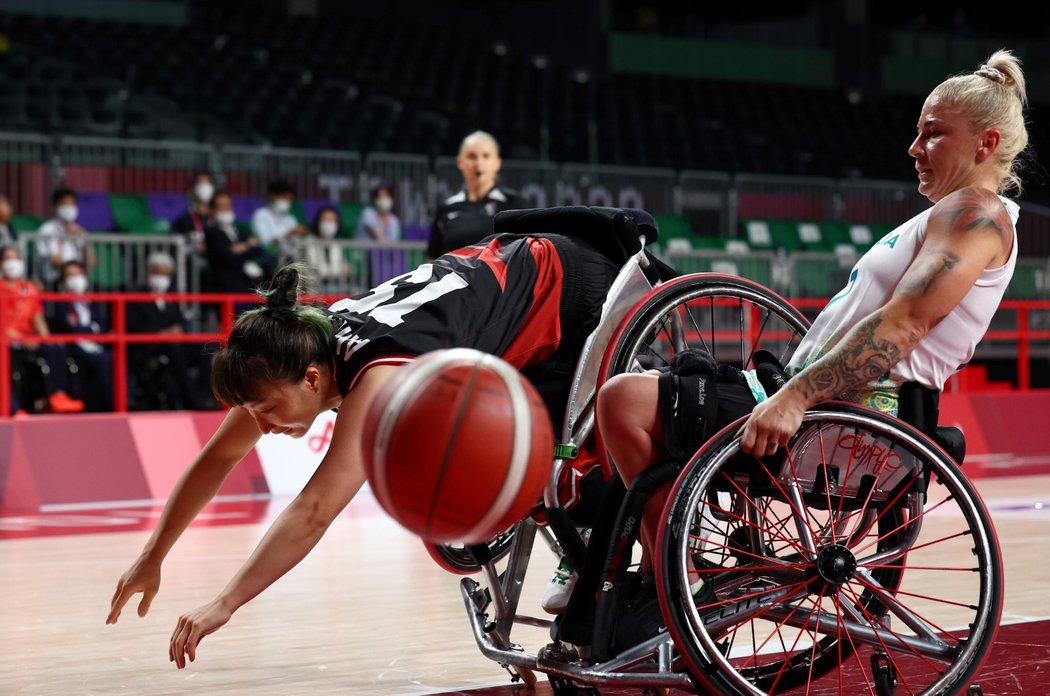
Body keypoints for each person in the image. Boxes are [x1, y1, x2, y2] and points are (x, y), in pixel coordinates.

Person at [108, 214, 640, 668]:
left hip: (571, 290)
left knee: (543, 465)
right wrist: (153, 555)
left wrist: (225, 603)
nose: (260, 424)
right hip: (506, 281)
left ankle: (609, 553)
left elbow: (315, 509)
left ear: (312, 381)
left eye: (266, 409)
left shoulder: (375, 376)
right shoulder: (297, 346)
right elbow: (219, 455)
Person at [597, 50, 1028, 573]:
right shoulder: (952, 215)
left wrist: (793, 398)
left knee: (623, 399)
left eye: (933, 134)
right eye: (917, 132)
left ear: (988, 143)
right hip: (832, 411)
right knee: (656, 385)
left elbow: (905, 324)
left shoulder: (975, 214)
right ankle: (665, 567)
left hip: (849, 425)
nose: (914, 148)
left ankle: (679, 575)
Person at [0, 245, 85, 414]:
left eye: (16, 258)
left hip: (28, 338)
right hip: (7, 340)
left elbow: (37, 318)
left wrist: (46, 338)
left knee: (56, 347)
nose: (12, 263)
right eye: (8, 258)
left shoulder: (30, 288)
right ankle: (14, 409)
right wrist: (21, 339)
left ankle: (57, 395)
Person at [127, 252, 210, 411]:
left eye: (165, 274)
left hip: (173, 343)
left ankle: (204, 395)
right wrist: (159, 333)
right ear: (148, 272)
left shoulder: (171, 295)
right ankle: (190, 400)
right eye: (157, 272)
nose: (161, 277)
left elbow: (181, 321)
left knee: (205, 349)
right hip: (149, 346)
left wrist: (179, 329)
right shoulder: (135, 295)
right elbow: (132, 325)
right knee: (175, 350)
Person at [427, 131, 528, 258]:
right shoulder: (446, 208)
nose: (478, 162)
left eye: (486, 156)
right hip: (453, 277)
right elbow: (433, 260)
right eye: (472, 156)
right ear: (460, 162)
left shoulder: (516, 204)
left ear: (497, 163)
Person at [50, 260, 114, 412]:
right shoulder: (59, 302)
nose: (74, 278)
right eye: (69, 275)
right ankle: (111, 405)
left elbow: (103, 326)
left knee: (116, 356)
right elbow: (66, 328)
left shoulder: (95, 300)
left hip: (97, 344)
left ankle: (122, 401)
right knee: (103, 360)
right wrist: (90, 329)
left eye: (78, 274)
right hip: (73, 346)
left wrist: (83, 328)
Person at [203, 190, 267, 293]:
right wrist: (247, 246)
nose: (226, 210)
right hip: (227, 284)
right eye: (222, 207)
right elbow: (226, 256)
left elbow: (258, 250)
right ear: (212, 210)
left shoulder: (239, 230)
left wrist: (242, 247)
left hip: (248, 281)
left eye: (228, 206)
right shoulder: (211, 233)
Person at [35, 187, 95, 289]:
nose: (68, 207)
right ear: (56, 207)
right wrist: (71, 272)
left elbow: (91, 262)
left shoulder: (79, 230)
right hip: (55, 281)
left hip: (78, 279)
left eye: (72, 204)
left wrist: (83, 239)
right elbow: (54, 260)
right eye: (64, 203)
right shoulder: (47, 229)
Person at [305, 205, 354, 295]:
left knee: (357, 290)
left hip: (336, 285)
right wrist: (340, 270)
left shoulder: (336, 245)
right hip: (316, 287)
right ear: (318, 222)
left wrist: (344, 268)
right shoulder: (309, 242)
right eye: (325, 220)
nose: (329, 223)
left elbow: (343, 268)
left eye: (332, 220)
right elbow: (317, 269)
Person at [251, 179, 308, 254]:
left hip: (291, 256)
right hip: (270, 257)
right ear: (272, 196)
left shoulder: (290, 218)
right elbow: (266, 244)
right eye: (283, 197)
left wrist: (303, 234)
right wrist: (289, 234)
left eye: (289, 199)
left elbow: (297, 242)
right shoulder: (261, 215)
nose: (286, 201)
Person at [170, 172, 216, 254]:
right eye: (200, 183)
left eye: (207, 183)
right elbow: (175, 239)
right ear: (192, 189)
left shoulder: (218, 216)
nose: (204, 187)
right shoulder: (184, 218)